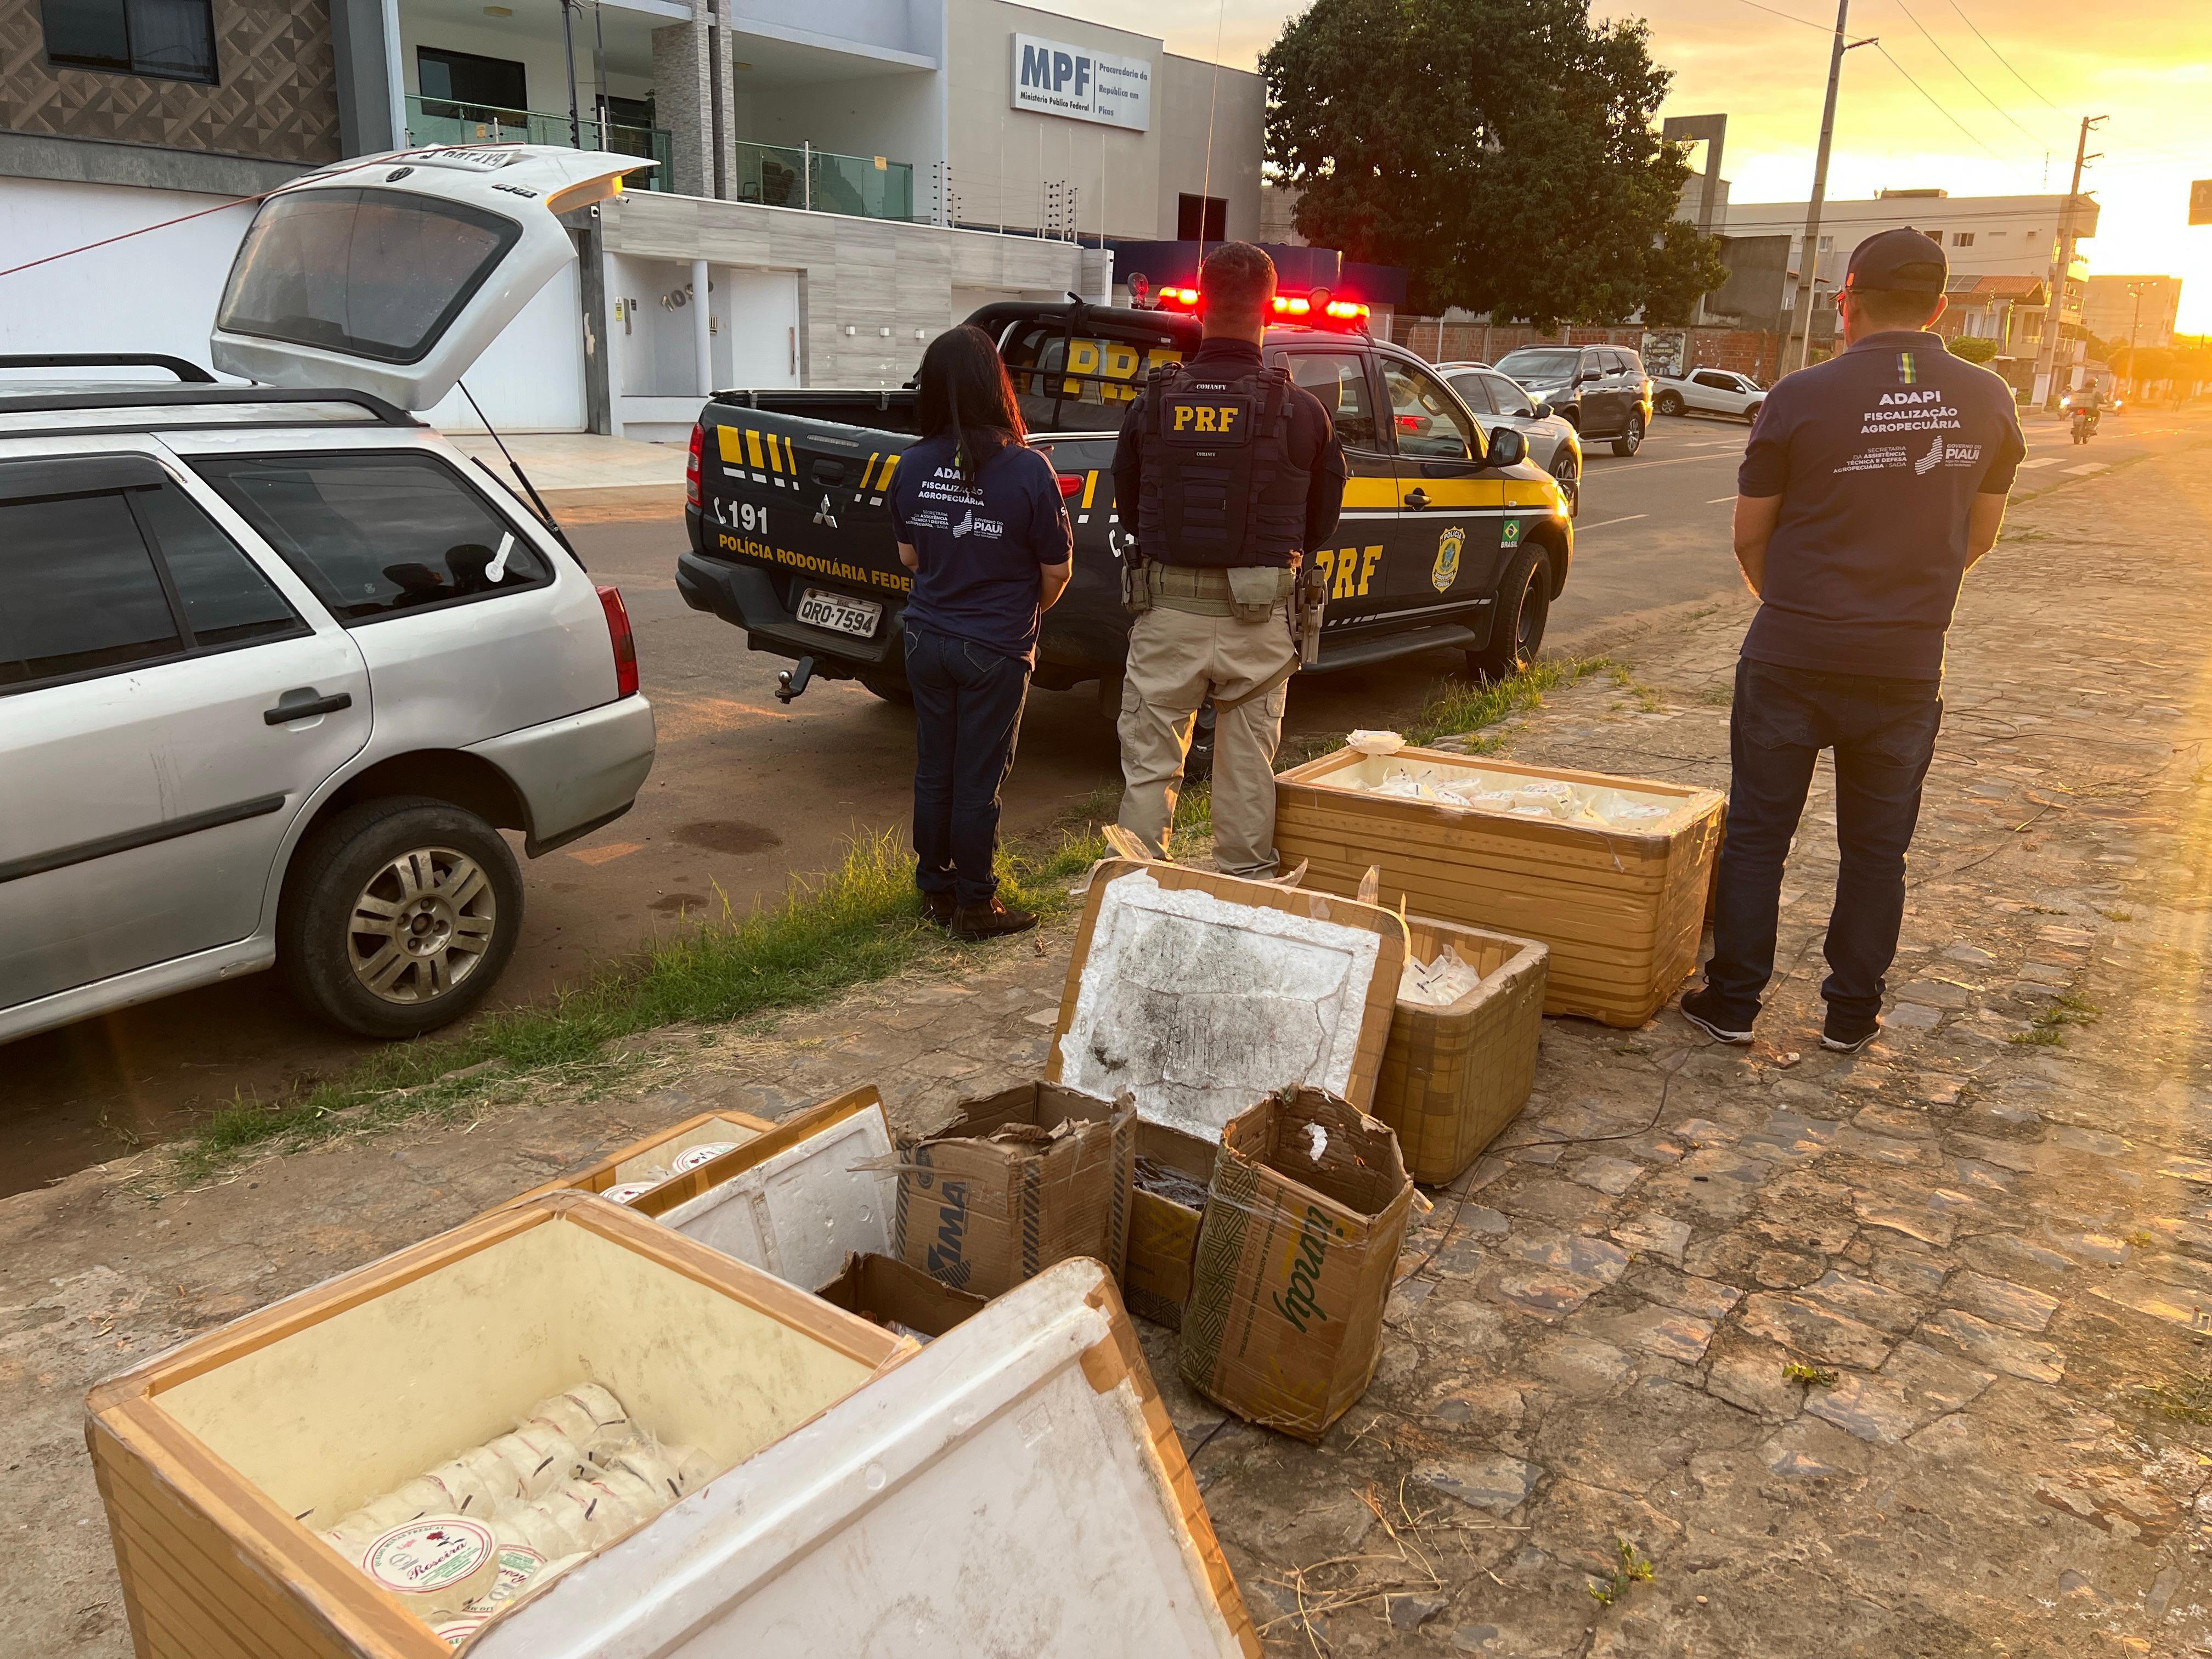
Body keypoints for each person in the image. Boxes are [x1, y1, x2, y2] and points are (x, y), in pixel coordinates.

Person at [1679, 227, 2025, 1053]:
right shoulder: (1989, 398)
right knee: (1878, 850)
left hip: (1791, 653)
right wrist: (1903, 603)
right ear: (1943, 307)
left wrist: (1793, 603)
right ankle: (1849, 1015)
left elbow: (1748, 534)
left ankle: (1733, 1004)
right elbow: (1982, 535)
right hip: (1905, 662)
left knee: (1761, 833)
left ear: (1848, 303)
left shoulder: (1797, 396)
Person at [1110, 241, 1347, 876]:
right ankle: (1244, 887)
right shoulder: (1304, 411)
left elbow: (1130, 510)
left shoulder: (1153, 402)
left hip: (1166, 611)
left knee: (1150, 770)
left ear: (1200, 302)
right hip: (1259, 619)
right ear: (1270, 306)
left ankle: (1135, 888)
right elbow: (1320, 525)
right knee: (1248, 771)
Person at [890, 324, 1073, 939]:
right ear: (996, 386)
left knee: (933, 769)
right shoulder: (1029, 470)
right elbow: (1057, 571)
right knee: (978, 780)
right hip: (995, 647)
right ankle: (976, 904)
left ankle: (935, 890)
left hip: (925, 639)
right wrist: (1023, 610)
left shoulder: (911, 463)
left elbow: (910, 559)